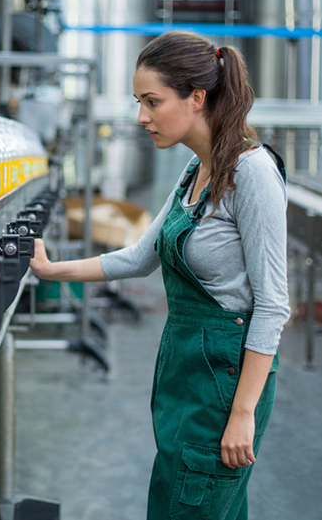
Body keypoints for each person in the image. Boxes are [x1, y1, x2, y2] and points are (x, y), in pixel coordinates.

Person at [29, 31, 289, 520]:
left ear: (196, 98)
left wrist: (241, 413)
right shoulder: (195, 170)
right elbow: (140, 256)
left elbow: (274, 305)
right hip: (185, 370)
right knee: (182, 497)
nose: (141, 117)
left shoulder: (251, 174)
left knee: (195, 503)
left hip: (223, 381)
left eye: (152, 101)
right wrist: (49, 267)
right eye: (138, 102)